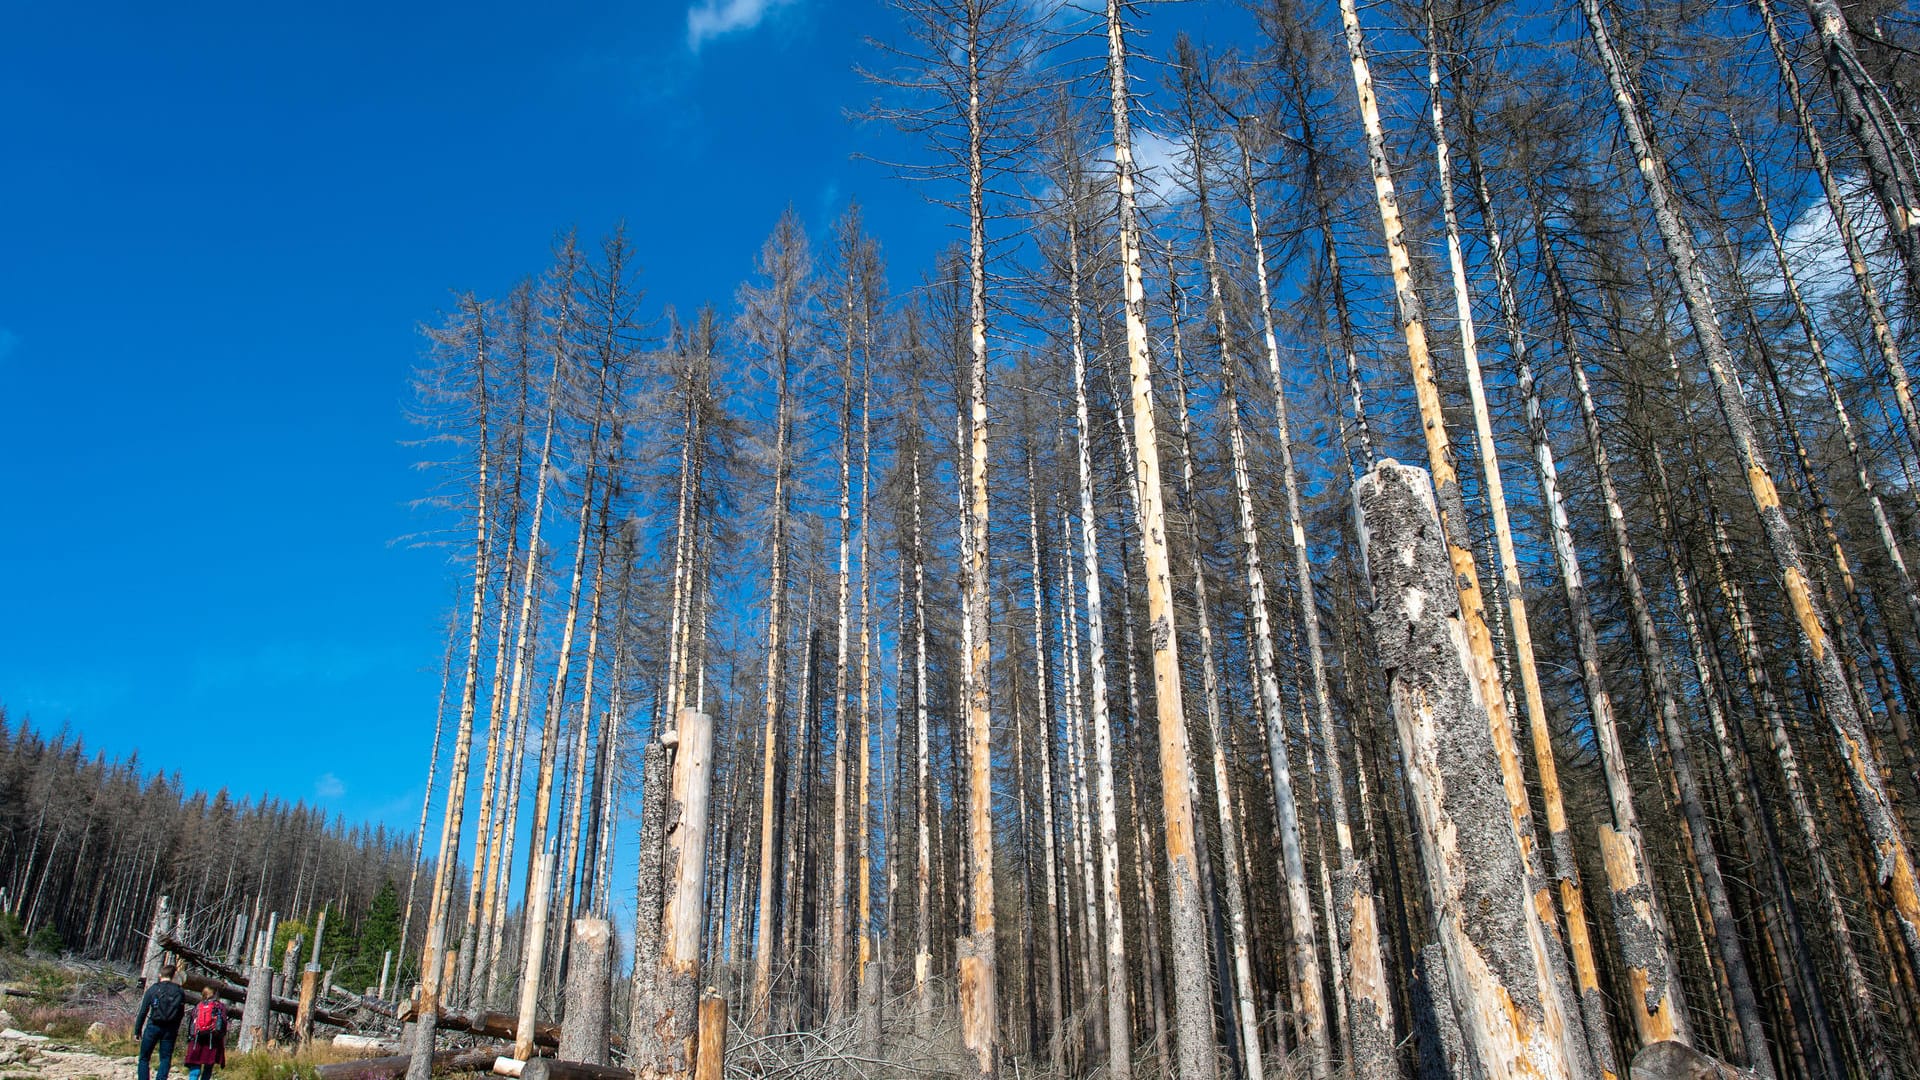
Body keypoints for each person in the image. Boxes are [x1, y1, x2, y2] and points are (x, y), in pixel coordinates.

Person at [134, 964, 187, 1080]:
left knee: (144, 1058)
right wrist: (175, 1029)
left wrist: (137, 1031)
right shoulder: (179, 992)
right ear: (173, 976)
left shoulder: (153, 989)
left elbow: (143, 1011)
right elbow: (181, 1013)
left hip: (153, 1025)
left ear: (160, 975)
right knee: (165, 1058)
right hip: (170, 1029)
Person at [184, 986, 228, 1080]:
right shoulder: (219, 1006)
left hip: (197, 1040)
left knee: (195, 1065)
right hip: (213, 1040)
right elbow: (223, 1025)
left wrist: (190, 1037)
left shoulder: (198, 1006)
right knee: (208, 1066)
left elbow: (192, 1023)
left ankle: (193, 1078)